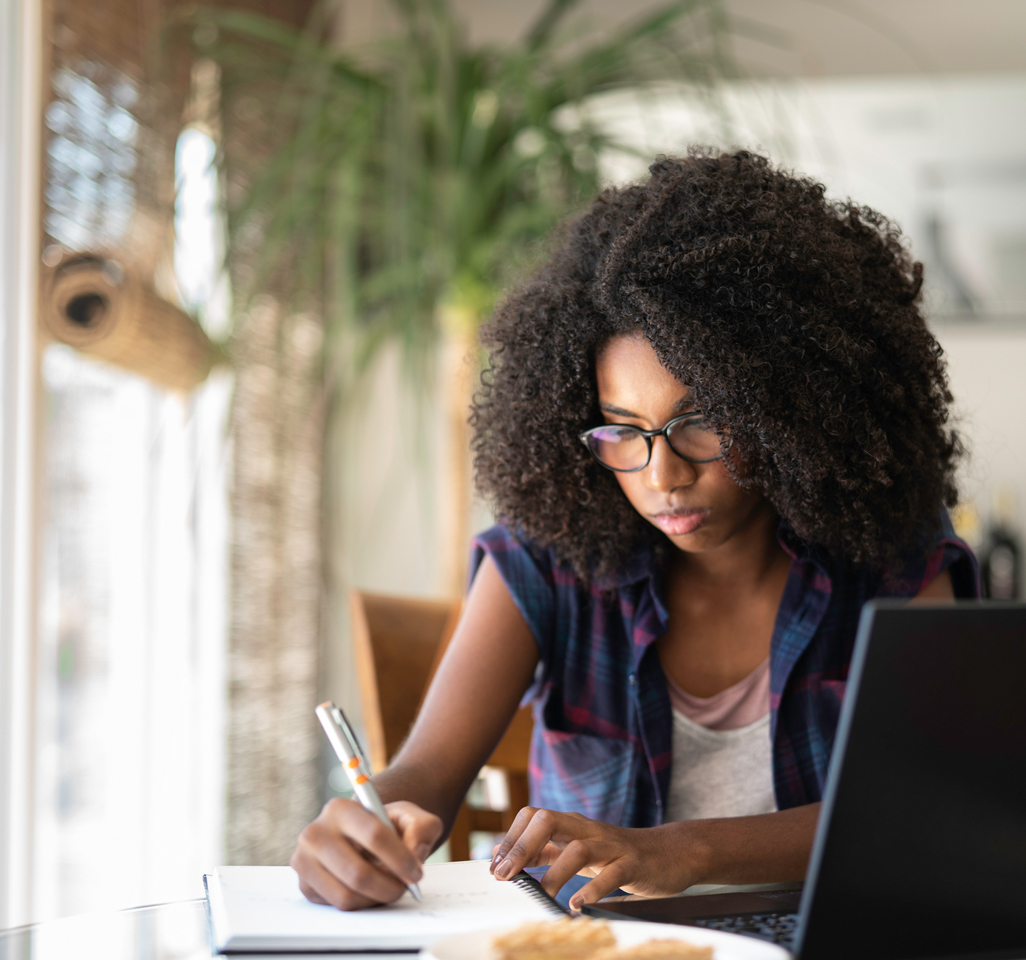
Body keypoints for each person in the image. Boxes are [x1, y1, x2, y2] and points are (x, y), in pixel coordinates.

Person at [290, 149, 980, 911]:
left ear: (791, 410)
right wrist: (365, 825)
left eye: (702, 423)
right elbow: (425, 777)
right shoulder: (545, 560)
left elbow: (924, 807)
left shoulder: (890, 556)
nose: (662, 476)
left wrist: (683, 849)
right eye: (622, 431)